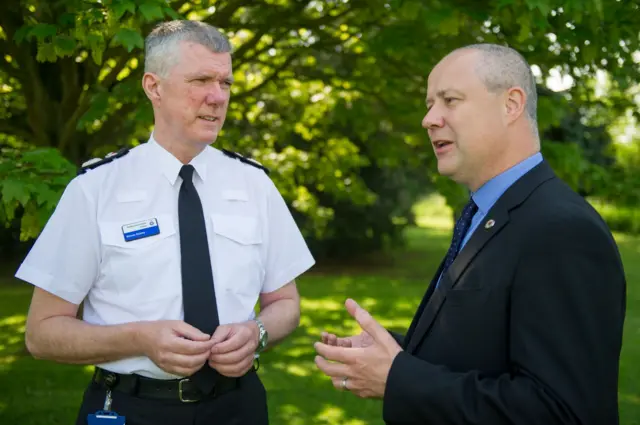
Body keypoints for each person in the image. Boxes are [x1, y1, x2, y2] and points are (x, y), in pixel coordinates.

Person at [16, 20, 315, 425]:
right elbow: (42, 333)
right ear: (153, 86)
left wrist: (257, 333)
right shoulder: (96, 189)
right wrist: (138, 339)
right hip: (131, 408)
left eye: (225, 83)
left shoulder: (254, 184)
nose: (216, 97)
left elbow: (286, 304)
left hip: (238, 407)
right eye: (200, 80)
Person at [314, 43, 626, 425]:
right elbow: (487, 346)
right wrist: (396, 352)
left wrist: (400, 378)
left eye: (450, 100)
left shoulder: (562, 231)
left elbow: (561, 411)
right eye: (430, 104)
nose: (429, 119)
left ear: (510, 105)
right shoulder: (486, 212)